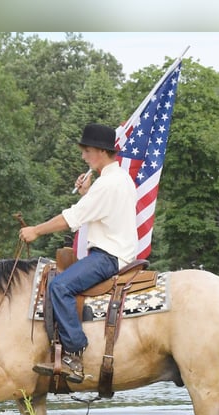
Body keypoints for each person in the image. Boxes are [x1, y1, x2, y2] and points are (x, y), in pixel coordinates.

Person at [19, 123, 138, 383]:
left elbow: (71, 218)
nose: (83, 156)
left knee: (60, 286)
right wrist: (86, 193)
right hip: (118, 251)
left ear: (100, 151)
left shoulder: (108, 184)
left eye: (86, 151)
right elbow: (96, 212)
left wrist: (36, 231)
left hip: (108, 256)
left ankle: (74, 352)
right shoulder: (118, 179)